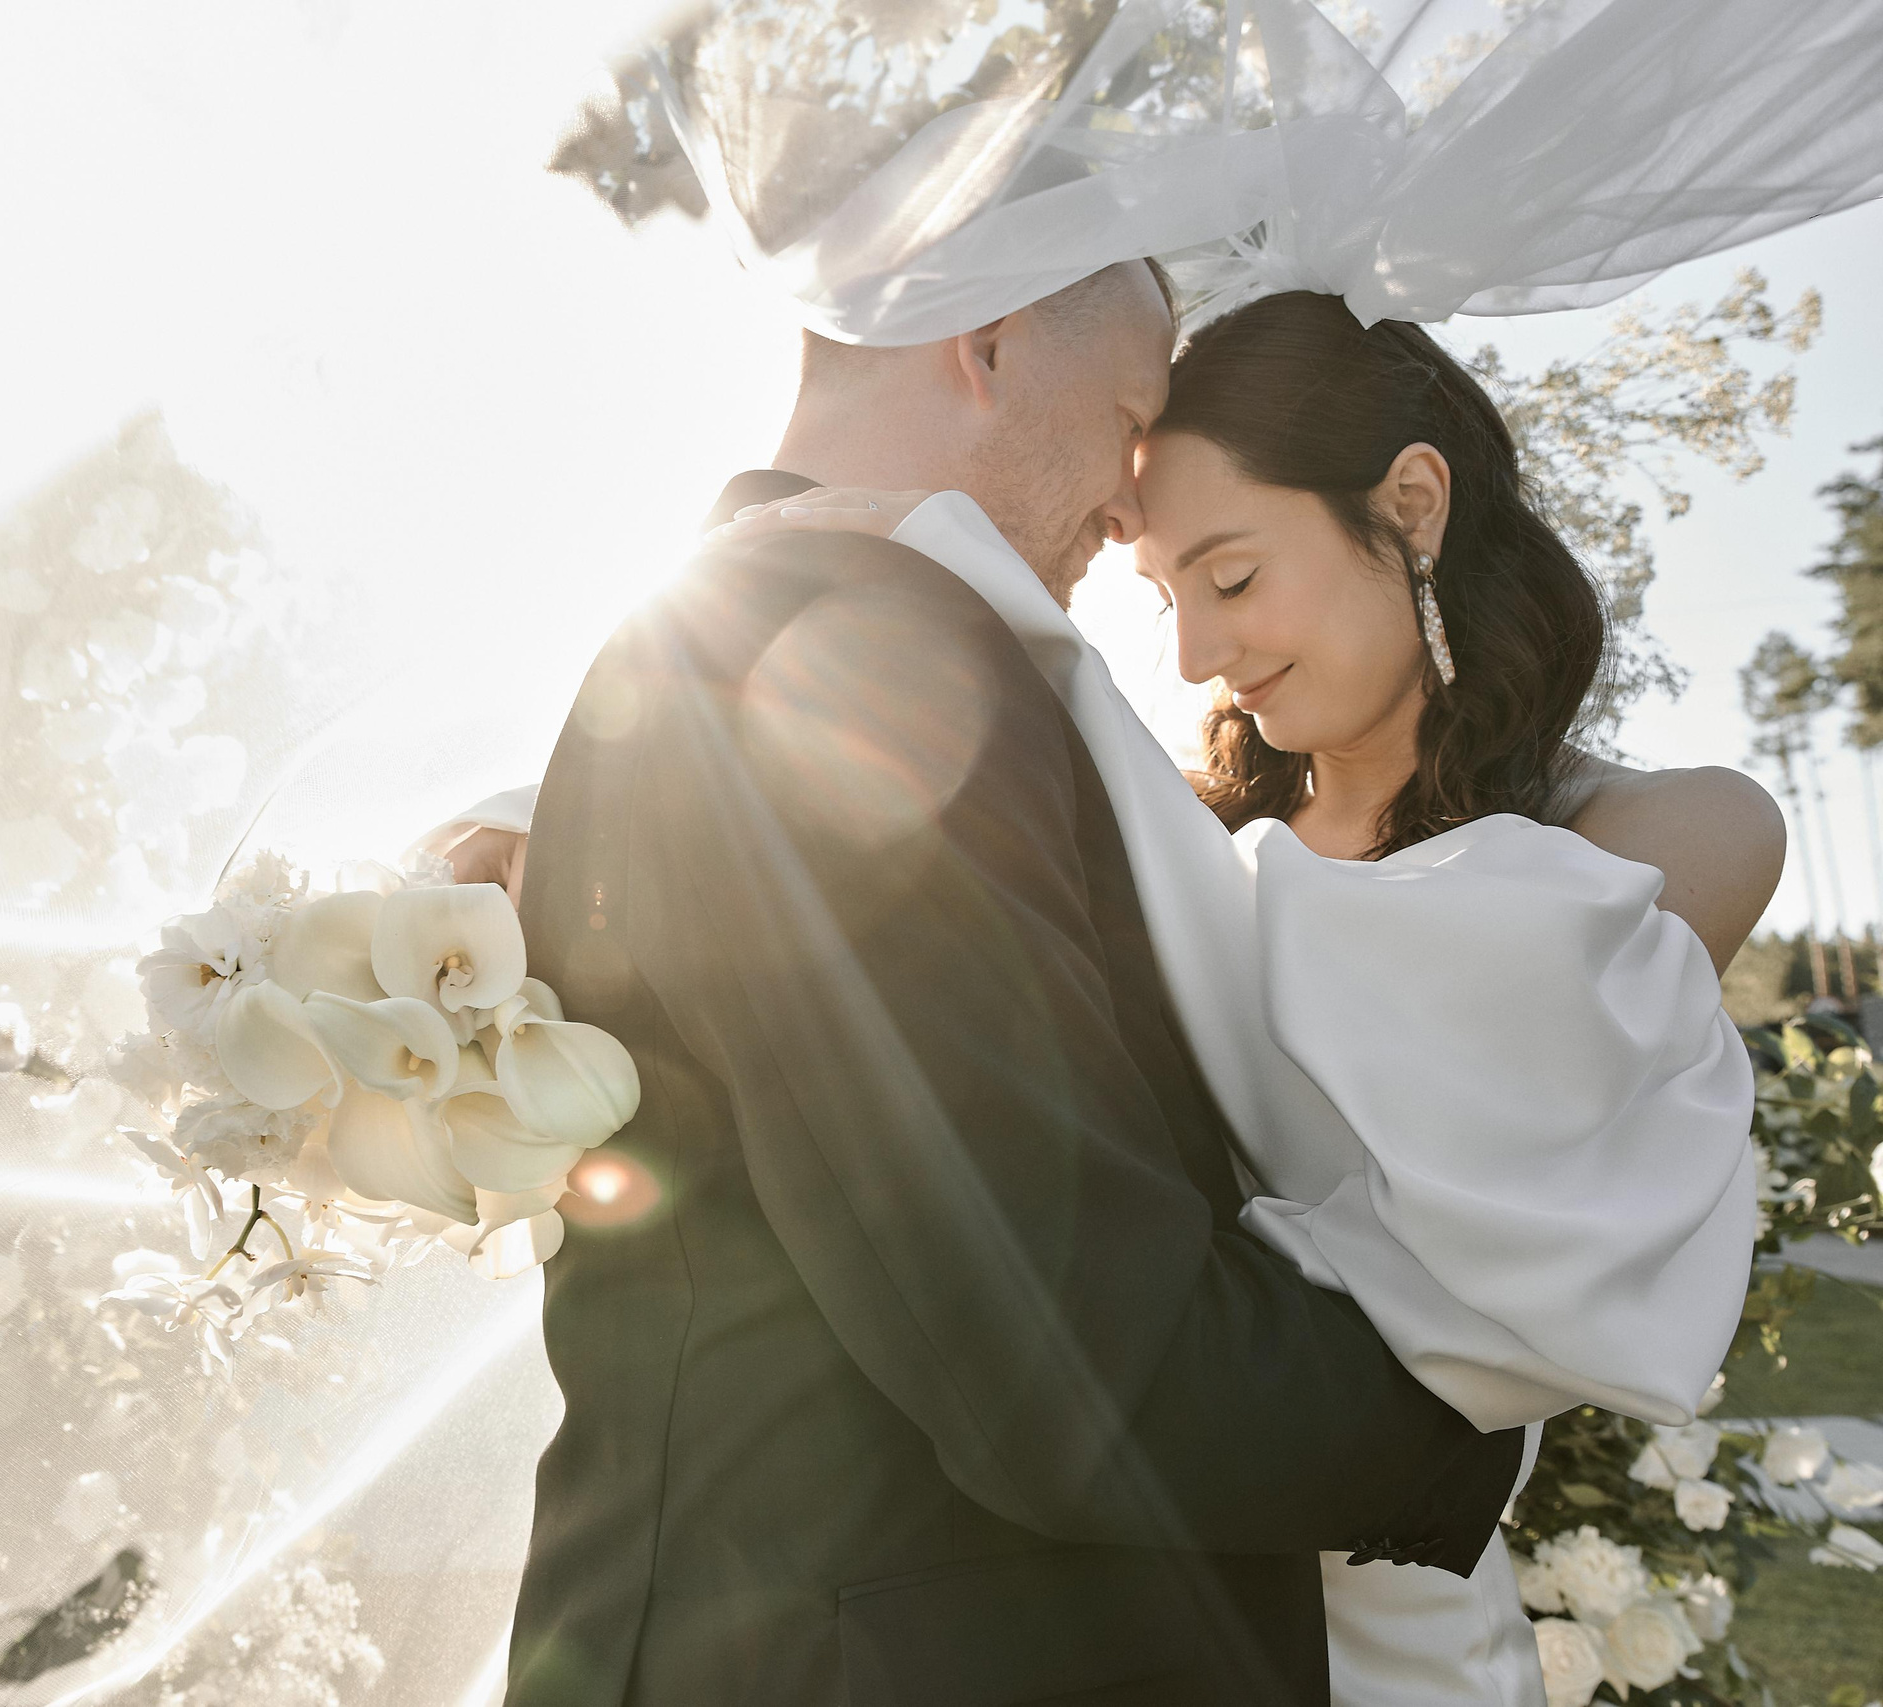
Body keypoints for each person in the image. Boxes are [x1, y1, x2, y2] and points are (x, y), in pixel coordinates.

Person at [491, 260, 1531, 1707]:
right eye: (1129, 422)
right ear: (985, 345)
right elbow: (1060, 1338)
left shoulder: (738, 627)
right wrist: (1479, 1407)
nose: (1130, 509)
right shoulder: (862, 652)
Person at [709, 287, 1770, 1705]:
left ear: (1411, 505)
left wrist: (963, 575)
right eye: (1164, 602)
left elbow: (1376, 1034)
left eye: (1232, 577)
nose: (1196, 657)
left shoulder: (1669, 834)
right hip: (1139, 1611)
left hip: (1401, 1622)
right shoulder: (1174, 833)